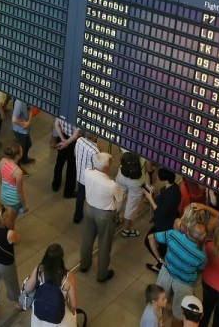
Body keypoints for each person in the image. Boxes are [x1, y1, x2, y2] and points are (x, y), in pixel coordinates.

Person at [148, 207, 210, 327]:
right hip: (185, 284)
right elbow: (201, 269)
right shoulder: (200, 256)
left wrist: (159, 259)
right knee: (179, 314)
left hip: (166, 273)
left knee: (157, 301)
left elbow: (151, 238)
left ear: (188, 230)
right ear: (201, 238)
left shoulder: (173, 235)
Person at [80, 152, 121, 282]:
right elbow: (120, 199)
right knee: (104, 244)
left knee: (87, 238)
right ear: (105, 168)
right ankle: (102, 274)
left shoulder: (87, 172)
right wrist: (116, 213)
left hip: (89, 209)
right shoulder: (111, 185)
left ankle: (84, 264)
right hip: (105, 215)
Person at [23, 243, 79, 327]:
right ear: (61, 258)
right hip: (58, 313)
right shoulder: (68, 276)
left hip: (41, 313)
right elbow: (73, 305)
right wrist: (71, 312)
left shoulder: (39, 269)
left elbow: (27, 288)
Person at [146, 168, 182, 271]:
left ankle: (162, 263)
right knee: (163, 246)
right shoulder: (175, 188)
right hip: (172, 219)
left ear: (165, 179)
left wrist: (150, 199)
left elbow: (161, 212)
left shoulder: (168, 196)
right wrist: (154, 192)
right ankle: (161, 264)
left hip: (164, 224)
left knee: (151, 242)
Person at [117, 150, 150, 236]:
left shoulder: (127, 142)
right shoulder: (148, 150)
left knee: (118, 198)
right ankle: (126, 230)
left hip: (122, 175)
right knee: (132, 205)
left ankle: (115, 219)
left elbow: (121, 157)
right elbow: (149, 168)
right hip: (137, 181)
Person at [51, 118, 80, 197]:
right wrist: (66, 143)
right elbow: (75, 135)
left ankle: (55, 185)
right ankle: (68, 191)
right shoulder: (77, 116)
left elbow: (57, 124)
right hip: (72, 143)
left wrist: (62, 139)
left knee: (59, 162)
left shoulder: (63, 109)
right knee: (71, 167)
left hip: (62, 137)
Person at [0, 143, 27, 215]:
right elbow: (19, 191)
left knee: (7, 215)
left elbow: (0, 178)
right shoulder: (18, 171)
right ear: (18, 155)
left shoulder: (3, 161)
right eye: (21, 151)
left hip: (4, 195)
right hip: (13, 200)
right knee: (11, 221)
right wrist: (24, 205)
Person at [11, 99, 34, 164]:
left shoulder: (28, 99)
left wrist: (28, 122)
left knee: (28, 144)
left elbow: (30, 110)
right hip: (19, 130)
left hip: (25, 129)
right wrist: (23, 125)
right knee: (19, 150)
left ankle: (24, 159)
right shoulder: (19, 103)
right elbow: (14, 119)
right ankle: (18, 164)